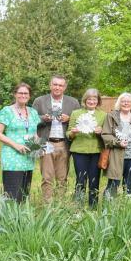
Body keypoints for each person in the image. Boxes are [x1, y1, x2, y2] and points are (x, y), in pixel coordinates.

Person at [32, 75, 80, 203]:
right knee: (47, 177)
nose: (57, 87)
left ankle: (60, 205)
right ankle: (47, 204)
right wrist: (44, 118)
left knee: (62, 177)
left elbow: (79, 121)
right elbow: (31, 119)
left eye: (60, 85)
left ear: (65, 87)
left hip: (64, 143)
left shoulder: (73, 102)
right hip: (46, 142)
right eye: (55, 84)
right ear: (50, 85)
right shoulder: (40, 101)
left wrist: (69, 118)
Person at [0, 82, 41, 202]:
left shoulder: (33, 112)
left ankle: (20, 220)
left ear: (29, 96)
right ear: (15, 94)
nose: (23, 95)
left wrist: (38, 147)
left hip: (28, 158)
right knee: (12, 194)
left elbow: (34, 133)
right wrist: (15, 145)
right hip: (12, 157)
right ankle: (8, 219)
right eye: (20, 93)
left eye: (26, 93)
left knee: (24, 194)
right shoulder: (7, 111)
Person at [102, 92, 131, 198]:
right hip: (116, 156)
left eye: (128, 101)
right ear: (119, 103)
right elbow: (105, 134)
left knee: (129, 185)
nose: (126, 103)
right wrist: (118, 143)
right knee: (113, 183)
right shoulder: (111, 116)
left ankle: (126, 208)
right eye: (123, 101)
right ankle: (108, 209)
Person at [67, 88, 106, 206]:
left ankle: (93, 206)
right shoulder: (76, 113)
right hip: (79, 151)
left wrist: (101, 132)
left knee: (95, 180)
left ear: (98, 101)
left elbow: (107, 134)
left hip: (96, 151)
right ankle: (78, 206)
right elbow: (68, 134)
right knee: (80, 179)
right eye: (89, 99)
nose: (92, 101)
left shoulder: (103, 115)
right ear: (85, 100)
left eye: (94, 99)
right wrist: (73, 132)